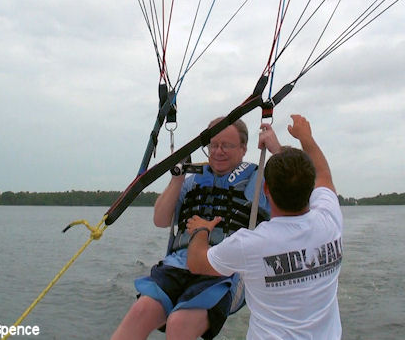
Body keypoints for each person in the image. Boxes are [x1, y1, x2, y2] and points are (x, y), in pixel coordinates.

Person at [111, 117, 281, 340]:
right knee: (140, 311)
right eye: (213, 145)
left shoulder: (259, 182)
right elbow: (160, 220)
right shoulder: (191, 182)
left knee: (180, 323)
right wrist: (177, 181)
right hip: (178, 265)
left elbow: (297, 191)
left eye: (227, 146)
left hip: (225, 271)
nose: (218, 151)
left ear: (243, 149)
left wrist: (276, 151)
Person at [186, 114, 343, 339]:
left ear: (265, 190)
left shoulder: (250, 244)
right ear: (311, 189)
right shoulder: (330, 220)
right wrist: (305, 138)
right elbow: (324, 174)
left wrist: (201, 229)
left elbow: (197, 262)